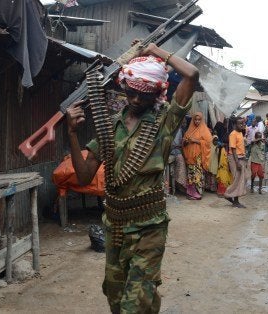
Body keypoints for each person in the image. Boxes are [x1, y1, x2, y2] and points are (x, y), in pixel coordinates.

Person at [65, 42, 198, 313]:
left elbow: (192, 75)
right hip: (114, 226)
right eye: (132, 92)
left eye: (145, 95)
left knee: (135, 301)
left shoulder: (165, 121)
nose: (137, 100)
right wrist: (71, 133)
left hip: (149, 226)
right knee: (115, 295)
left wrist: (154, 50)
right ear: (125, 87)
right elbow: (83, 176)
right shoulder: (108, 126)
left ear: (157, 93)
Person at [182, 112, 212, 200]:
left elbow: (208, 143)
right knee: (191, 174)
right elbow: (183, 142)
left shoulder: (205, 130)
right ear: (193, 120)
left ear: (201, 120)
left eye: (199, 120)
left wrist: (195, 141)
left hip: (199, 157)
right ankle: (190, 193)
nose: (197, 121)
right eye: (195, 119)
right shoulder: (189, 130)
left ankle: (198, 192)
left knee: (198, 174)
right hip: (190, 157)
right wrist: (186, 142)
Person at [224, 117, 248, 208]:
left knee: (242, 179)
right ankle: (230, 196)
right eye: (240, 124)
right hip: (235, 158)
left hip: (240, 158)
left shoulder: (240, 133)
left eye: (243, 123)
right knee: (237, 179)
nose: (242, 125)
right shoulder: (233, 134)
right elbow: (233, 149)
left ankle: (232, 198)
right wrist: (237, 162)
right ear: (234, 125)